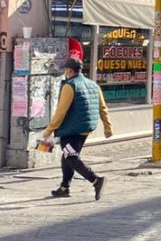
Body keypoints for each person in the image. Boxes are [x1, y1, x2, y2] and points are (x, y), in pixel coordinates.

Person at [41, 58, 112, 200]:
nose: (65, 73)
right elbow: (103, 107)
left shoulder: (70, 86)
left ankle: (96, 180)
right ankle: (64, 187)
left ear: (70, 70)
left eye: (66, 70)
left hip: (70, 130)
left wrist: (48, 130)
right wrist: (107, 126)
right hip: (85, 129)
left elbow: (61, 111)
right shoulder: (93, 85)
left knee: (71, 157)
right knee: (67, 156)